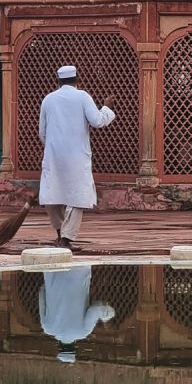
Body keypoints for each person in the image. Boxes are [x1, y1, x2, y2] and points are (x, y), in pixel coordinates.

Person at [38, 65, 115, 250]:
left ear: (58, 80)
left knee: (52, 194)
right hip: (77, 155)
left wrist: (52, 147)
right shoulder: (82, 97)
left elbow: (42, 131)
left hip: (54, 154)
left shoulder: (48, 99)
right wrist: (106, 107)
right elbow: (97, 121)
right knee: (76, 197)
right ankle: (66, 238)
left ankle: (59, 234)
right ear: (77, 79)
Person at [38, 266, 116, 346]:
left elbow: (95, 310)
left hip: (79, 271)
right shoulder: (47, 327)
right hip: (52, 268)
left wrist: (108, 315)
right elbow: (41, 294)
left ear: (73, 345)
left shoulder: (83, 331)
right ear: (59, 344)